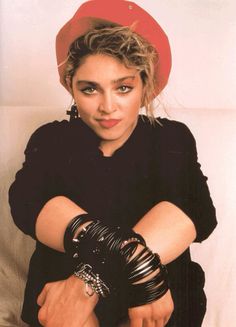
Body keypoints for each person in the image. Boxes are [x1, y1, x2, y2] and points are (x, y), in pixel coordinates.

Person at [9, 0, 217, 326]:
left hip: (154, 303)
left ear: (144, 87)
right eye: (90, 89)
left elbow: (193, 209)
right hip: (64, 306)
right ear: (71, 88)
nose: (108, 107)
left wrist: (90, 282)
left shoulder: (170, 138)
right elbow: (28, 203)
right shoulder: (51, 139)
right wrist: (137, 265)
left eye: (123, 87)